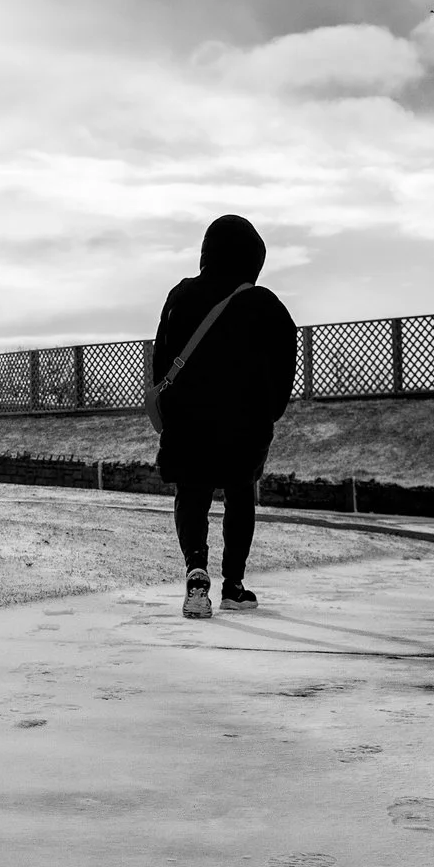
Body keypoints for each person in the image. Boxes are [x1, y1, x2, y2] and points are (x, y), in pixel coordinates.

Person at [150, 214, 299, 620]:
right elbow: (286, 361)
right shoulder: (265, 305)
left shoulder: (181, 296)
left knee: (192, 493)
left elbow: (161, 358)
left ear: (206, 252)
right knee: (240, 494)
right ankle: (234, 584)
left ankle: (196, 575)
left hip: (189, 421)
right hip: (245, 423)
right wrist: (271, 409)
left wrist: (171, 401)